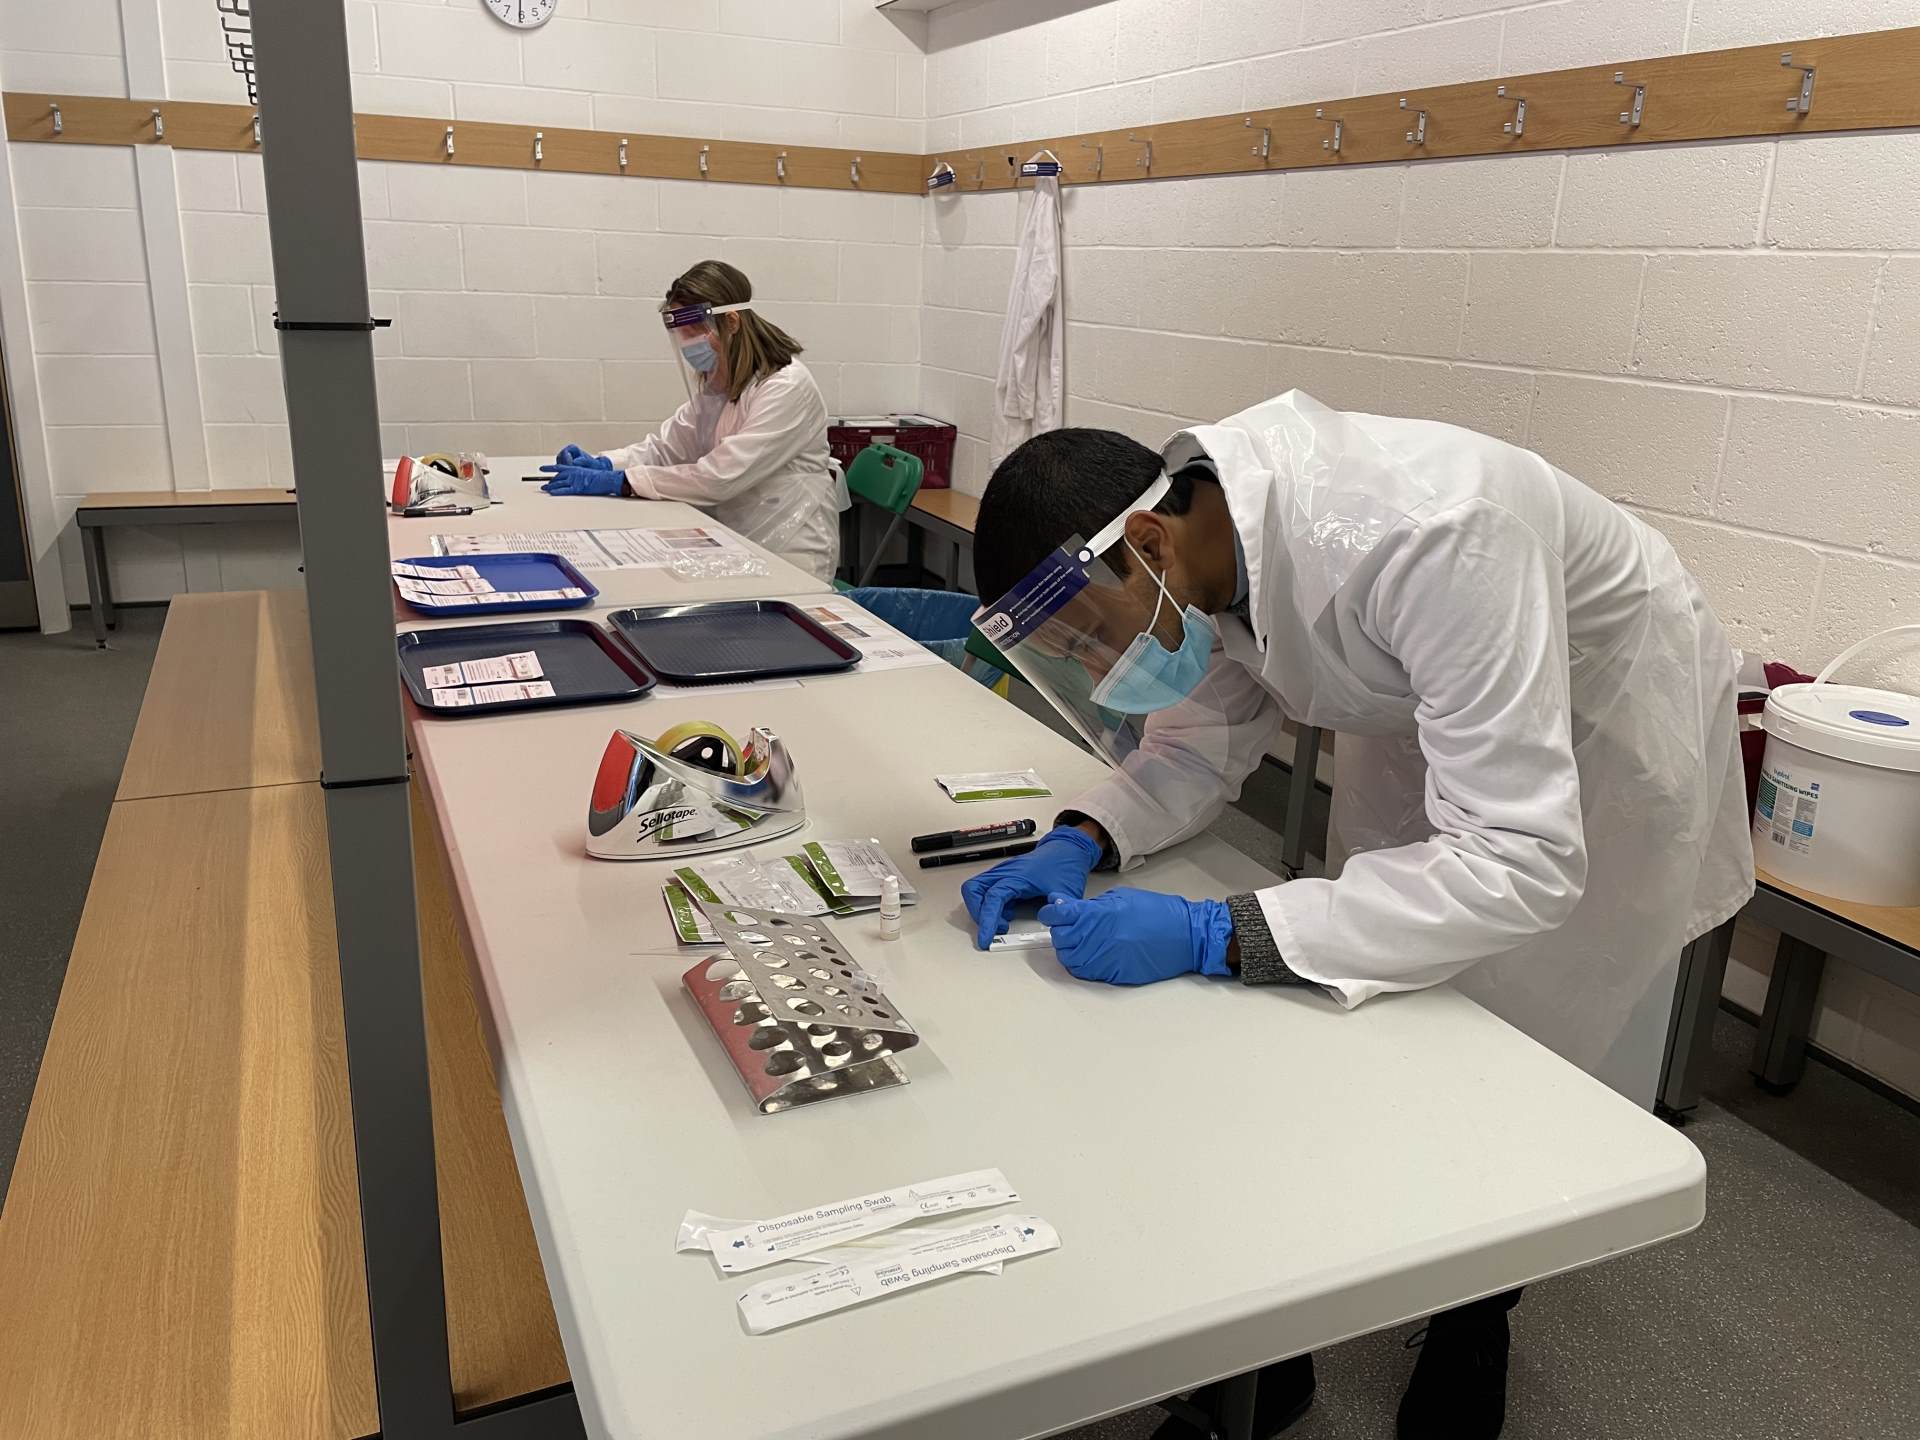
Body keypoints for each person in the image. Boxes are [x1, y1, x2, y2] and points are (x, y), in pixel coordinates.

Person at [962, 391, 1755, 1440]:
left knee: (1512, 1037)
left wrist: (1217, 932)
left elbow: (1519, 860)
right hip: (1424, 697)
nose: (1102, 671)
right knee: (1373, 995)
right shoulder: (1202, 555)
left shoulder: (1436, 535)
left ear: (1144, 542)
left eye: (1091, 638)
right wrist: (1084, 833)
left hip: (1598, 716)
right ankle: (1267, 1356)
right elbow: (1197, 744)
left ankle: (1479, 1308)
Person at [541, 259, 840, 582]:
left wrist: (624, 481)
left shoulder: (787, 386)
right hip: (738, 541)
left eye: (693, 329)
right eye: (680, 332)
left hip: (791, 551)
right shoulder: (721, 383)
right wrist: (605, 463)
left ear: (732, 322)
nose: (686, 341)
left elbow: (719, 477)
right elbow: (668, 447)